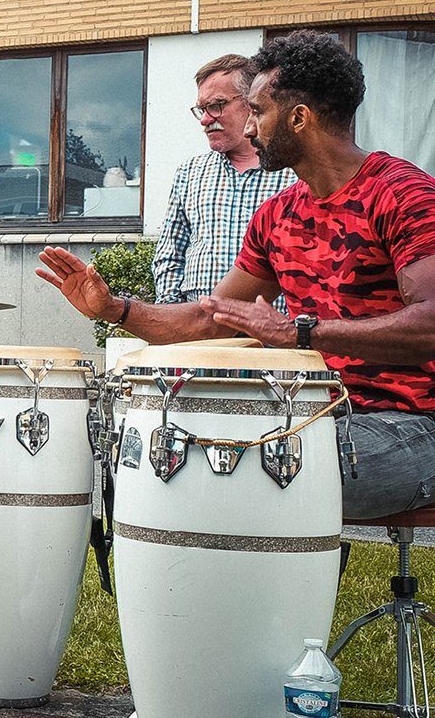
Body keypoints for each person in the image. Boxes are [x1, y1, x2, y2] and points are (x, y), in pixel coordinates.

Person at [38, 30, 435, 519]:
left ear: (298, 118)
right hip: (310, 413)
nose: (250, 131)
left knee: (260, 473)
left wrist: (300, 332)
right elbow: (209, 322)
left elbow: (431, 323)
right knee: (188, 454)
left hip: (411, 423)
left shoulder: (404, 195)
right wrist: (115, 309)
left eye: (259, 113)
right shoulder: (278, 216)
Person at [153, 53, 296, 303]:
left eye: (216, 105)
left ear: (252, 102)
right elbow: (169, 253)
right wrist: (172, 313)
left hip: (275, 331)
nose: (206, 120)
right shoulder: (190, 173)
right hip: (202, 333)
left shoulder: (294, 172)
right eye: (201, 109)